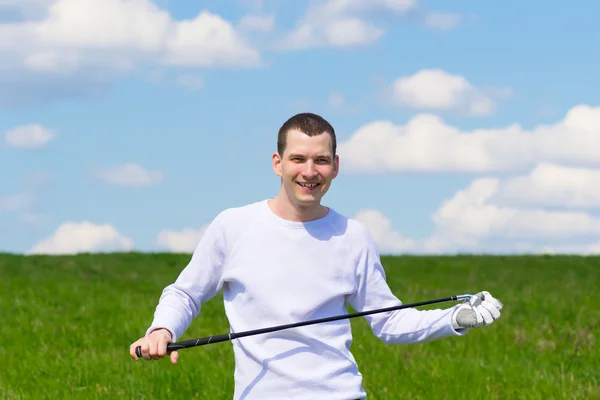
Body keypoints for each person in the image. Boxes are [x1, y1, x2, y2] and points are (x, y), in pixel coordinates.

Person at [129, 112, 503, 399]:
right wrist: (162, 329)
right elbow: (186, 293)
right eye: (298, 159)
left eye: (321, 160)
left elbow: (389, 323)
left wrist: (457, 317)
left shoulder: (353, 236)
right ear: (278, 163)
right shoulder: (234, 226)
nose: (310, 172)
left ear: (335, 166)